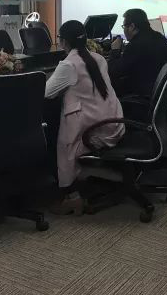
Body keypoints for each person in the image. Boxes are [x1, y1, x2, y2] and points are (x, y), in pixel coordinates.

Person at [45, 20, 125, 214]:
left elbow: (47, 93)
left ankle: (72, 197)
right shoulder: (99, 58)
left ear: (63, 42)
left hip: (94, 131)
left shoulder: (69, 65)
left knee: (56, 138)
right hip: (114, 124)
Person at [108, 8, 167, 99]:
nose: (124, 30)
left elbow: (113, 71)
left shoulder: (136, 45)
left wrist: (115, 51)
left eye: (124, 26)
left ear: (132, 26)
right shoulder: (159, 37)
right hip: (158, 92)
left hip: (140, 92)